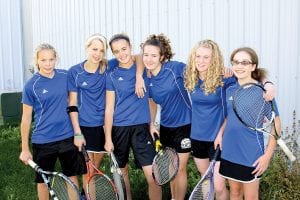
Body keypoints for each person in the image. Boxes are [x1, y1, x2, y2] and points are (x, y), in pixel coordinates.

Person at [184, 40, 276, 200]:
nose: (201, 60)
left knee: (219, 187)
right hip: (197, 138)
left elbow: (251, 76)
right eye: (198, 56)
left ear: (214, 59)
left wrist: (268, 83)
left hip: (218, 139)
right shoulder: (188, 75)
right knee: (206, 184)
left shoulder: (225, 78)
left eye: (206, 57)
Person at [67, 33, 146, 198]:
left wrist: (139, 76)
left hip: (103, 125)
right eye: (94, 49)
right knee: (89, 169)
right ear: (87, 48)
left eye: (101, 50)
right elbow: (72, 103)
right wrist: (77, 132)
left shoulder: (107, 66)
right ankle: (89, 196)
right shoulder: (75, 72)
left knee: (96, 166)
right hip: (84, 125)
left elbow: (138, 56)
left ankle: (86, 192)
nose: (97, 54)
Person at [19, 43, 86, 199]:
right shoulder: (31, 86)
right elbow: (26, 118)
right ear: (37, 61)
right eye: (43, 60)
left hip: (67, 136)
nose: (48, 64)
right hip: (43, 140)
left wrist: (77, 133)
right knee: (43, 181)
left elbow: (73, 103)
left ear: (56, 59)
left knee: (72, 176)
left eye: (51, 59)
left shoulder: (65, 76)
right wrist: (24, 148)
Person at [104, 33, 162, 200]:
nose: (122, 54)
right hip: (119, 127)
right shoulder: (112, 74)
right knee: (122, 172)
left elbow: (151, 100)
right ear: (113, 54)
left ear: (131, 46)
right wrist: (108, 138)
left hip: (141, 128)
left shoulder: (144, 67)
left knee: (153, 175)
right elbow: (109, 108)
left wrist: (151, 123)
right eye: (116, 51)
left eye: (124, 48)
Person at [219, 47, 279, 200]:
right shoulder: (230, 88)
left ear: (253, 66)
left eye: (244, 62)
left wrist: (267, 156)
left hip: (251, 154)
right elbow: (230, 117)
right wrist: (220, 134)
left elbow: (276, 126)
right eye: (236, 62)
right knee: (235, 193)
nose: (239, 66)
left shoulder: (263, 92)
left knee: (251, 197)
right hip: (229, 151)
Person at [141, 33, 191, 200]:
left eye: (154, 55)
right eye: (146, 54)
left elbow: (201, 73)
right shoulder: (146, 78)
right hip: (166, 127)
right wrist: (151, 124)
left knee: (179, 169)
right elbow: (152, 103)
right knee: (170, 170)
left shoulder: (175, 68)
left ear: (162, 56)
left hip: (185, 124)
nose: (149, 59)